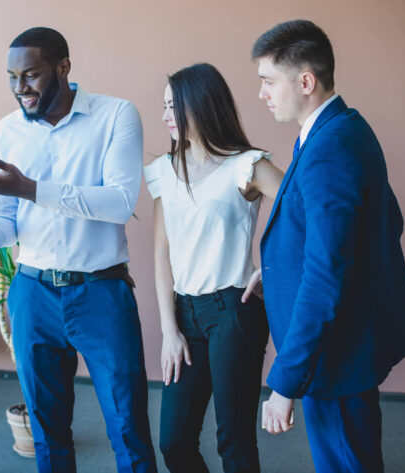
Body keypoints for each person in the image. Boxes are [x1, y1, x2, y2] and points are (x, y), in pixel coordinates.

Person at [0, 27, 157, 473]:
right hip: (32, 294)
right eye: (12, 77)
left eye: (31, 75)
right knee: (48, 435)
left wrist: (31, 188)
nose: (20, 88)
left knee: (129, 430)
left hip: (101, 292)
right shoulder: (3, 135)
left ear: (63, 68)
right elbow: (5, 226)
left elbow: (120, 204)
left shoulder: (116, 116)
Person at [247, 19, 405, 472]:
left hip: (336, 356)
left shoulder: (330, 147)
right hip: (342, 346)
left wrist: (284, 385)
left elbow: (326, 271)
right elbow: (382, 223)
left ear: (306, 81)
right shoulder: (344, 128)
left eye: (268, 82)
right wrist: (280, 269)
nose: (262, 93)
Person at [144, 63, 283, 473]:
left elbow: (308, 212)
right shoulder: (165, 172)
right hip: (185, 316)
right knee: (173, 442)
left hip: (233, 312)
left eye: (174, 106)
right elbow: (161, 257)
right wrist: (169, 330)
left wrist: (272, 270)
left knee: (234, 442)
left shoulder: (247, 165)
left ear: (201, 105)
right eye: (164, 106)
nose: (166, 115)